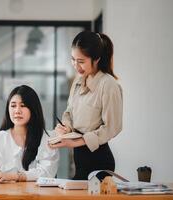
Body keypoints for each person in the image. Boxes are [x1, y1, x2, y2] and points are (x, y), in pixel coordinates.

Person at [49, 30, 123, 180]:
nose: (76, 66)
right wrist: (66, 127)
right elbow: (69, 112)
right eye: (73, 60)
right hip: (80, 160)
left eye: (81, 61)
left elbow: (113, 127)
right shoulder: (78, 81)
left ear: (96, 59)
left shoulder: (108, 85)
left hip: (99, 161)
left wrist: (78, 142)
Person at [0, 85, 59, 184]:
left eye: (23, 105)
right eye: (13, 106)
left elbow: (47, 173)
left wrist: (13, 176)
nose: (17, 111)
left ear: (33, 109)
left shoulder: (47, 138)